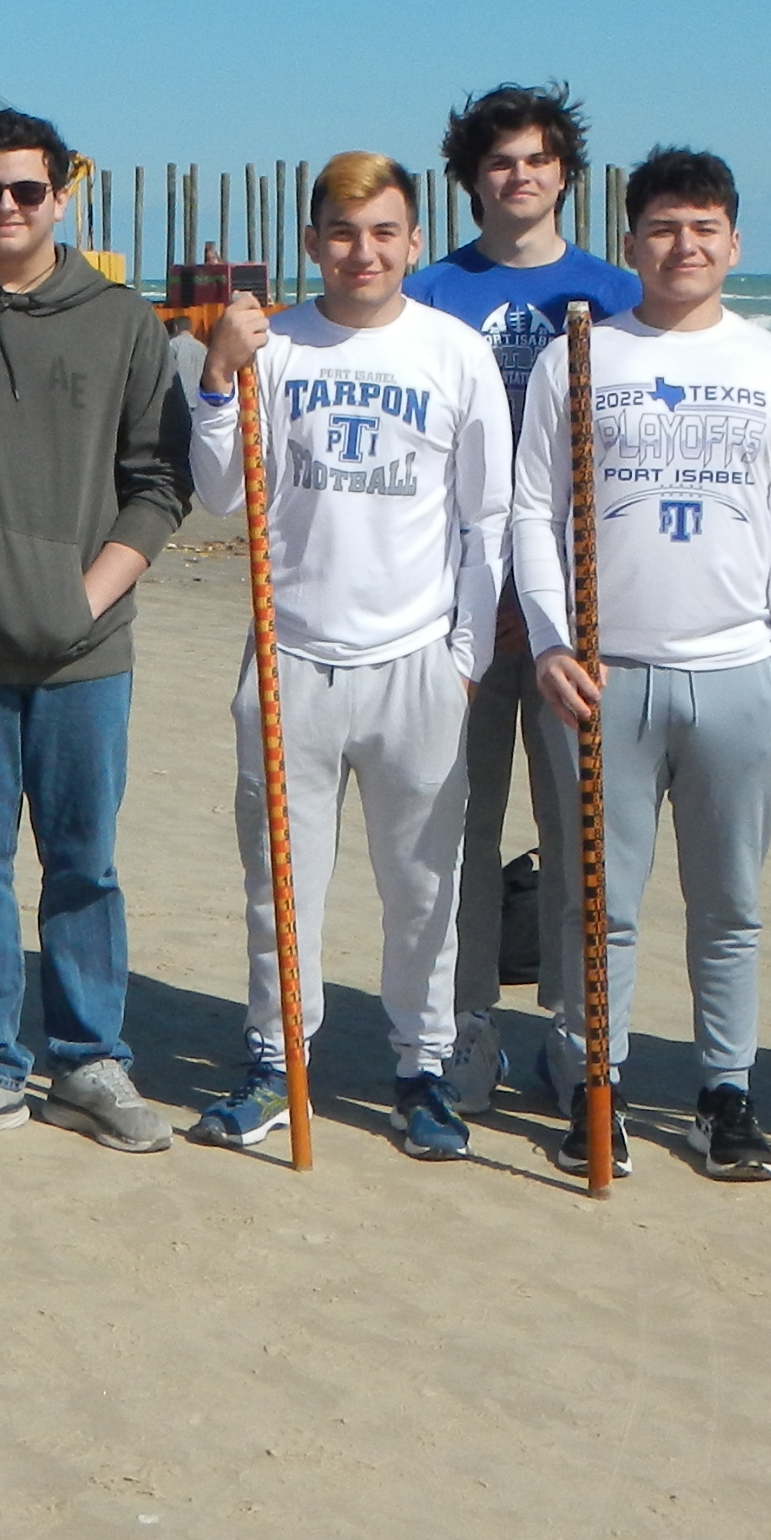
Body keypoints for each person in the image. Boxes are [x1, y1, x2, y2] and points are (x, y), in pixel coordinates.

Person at [0, 107, 193, 1157]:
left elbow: (158, 484)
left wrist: (86, 597)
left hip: (84, 649)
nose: (6, 208)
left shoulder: (121, 320)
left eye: (27, 190)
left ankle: (88, 1059)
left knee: (82, 863)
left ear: (61, 196)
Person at [510, 148, 771, 1181]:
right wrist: (552, 642)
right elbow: (532, 512)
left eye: (703, 228)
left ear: (733, 243)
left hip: (739, 676)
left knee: (728, 902)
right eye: (661, 228)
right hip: (606, 676)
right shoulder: (580, 356)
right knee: (600, 904)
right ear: (631, 241)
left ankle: (725, 1095)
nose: (682, 246)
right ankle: (596, 1085)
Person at [191, 152, 509, 1159]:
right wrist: (214, 375)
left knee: (424, 885)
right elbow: (218, 498)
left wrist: (463, 656)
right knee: (280, 882)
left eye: (382, 232)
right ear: (311, 242)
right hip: (290, 658)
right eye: (341, 232)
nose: (361, 251)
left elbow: (485, 522)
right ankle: (276, 1057)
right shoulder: (271, 347)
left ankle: (421, 1068)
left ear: (413, 242)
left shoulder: (453, 354)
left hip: (416, 662)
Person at [407, 85, 638, 1114]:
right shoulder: (428, 293)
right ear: (471, 180)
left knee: (580, 831)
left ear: (564, 174)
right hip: (453, 602)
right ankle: (463, 1030)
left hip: (577, 610)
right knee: (457, 827)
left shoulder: (617, 293)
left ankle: (578, 1037)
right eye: (500, 162)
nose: (520, 177)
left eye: (538, 160)